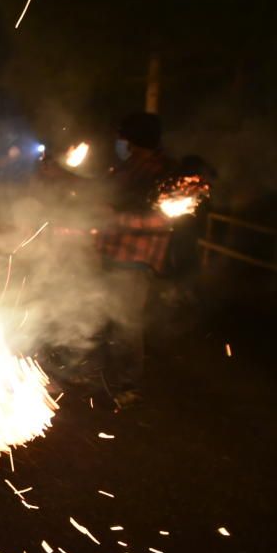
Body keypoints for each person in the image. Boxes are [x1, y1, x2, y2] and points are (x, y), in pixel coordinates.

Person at [95, 112, 175, 407]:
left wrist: (117, 218)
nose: (119, 141)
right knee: (106, 319)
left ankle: (129, 385)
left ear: (133, 139)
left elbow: (163, 221)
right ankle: (106, 379)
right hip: (113, 254)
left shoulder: (163, 172)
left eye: (123, 136)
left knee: (126, 323)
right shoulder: (129, 167)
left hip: (136, 260)